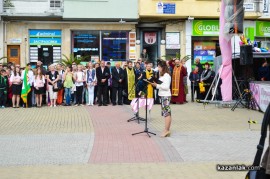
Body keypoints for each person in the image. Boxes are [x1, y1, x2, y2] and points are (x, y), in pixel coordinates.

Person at [151, 60, 172, 137]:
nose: (158, 68)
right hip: (163, 95)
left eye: (159, 67)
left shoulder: (166, 75)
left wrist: (156, 85)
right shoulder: (163, 75)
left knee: (166, 113)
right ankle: (167, 129)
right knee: (166, 113)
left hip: (165, 95)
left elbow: (166, 87)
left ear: (163, 67)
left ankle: (166, 130)